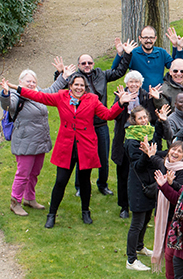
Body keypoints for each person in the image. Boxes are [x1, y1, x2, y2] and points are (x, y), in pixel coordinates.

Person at [3, 74, 137, 228]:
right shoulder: (61, 97)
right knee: (60, 181)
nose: (79, 88)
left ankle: (86, 212)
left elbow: (107, 115)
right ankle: (51, 214)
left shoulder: (92, 99)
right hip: (66, 147)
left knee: (85, 181)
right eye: (76, 85)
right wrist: (15, 88)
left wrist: (120, 103)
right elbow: (38, 96)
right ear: (70, 86)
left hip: (85, 147)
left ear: (85, 87)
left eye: (82, 85)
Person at [1, 60, 72, 216]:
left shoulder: (38, 92)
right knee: (23, 173)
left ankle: (29, 199)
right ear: (20, 82)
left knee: (35, 173)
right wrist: (5, 93)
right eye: (28, 81)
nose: (32, 84)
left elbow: (52, 90)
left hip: (40, 141)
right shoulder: (15, 95)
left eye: (34, 81)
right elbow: (8, 106)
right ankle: (15, 202)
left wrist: (64, 77)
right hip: (24, 142)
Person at [69, 39, 135, 197]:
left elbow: (119, 71)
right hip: (83, 127)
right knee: (82, 157)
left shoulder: (101, 75)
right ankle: (80, 186)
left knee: (103, 157)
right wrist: (59, 74)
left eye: (89, 62)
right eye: (83, 63)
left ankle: (102, 184)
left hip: (101, 124)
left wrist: (126, 55)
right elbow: (61, 86)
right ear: (78, 65)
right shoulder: (75, 80)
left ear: (93, 64)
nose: (87, 65)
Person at [112, 70, 162, 219]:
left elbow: (153, 118)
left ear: (141, 84)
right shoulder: (119, 96)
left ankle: (147, 202)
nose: (134, 85)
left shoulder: (146, 95)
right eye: (131, 82)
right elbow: (114, 115)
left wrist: (155, 100)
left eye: (136, 82)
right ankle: (124, 206)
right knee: (124, 173)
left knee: (145, 172)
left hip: (144, 140)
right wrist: (122, 102)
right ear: (126, 84)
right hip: (124, 139)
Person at [148, 141, 183, 279]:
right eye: (173, 149)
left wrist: (170, 184)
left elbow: (179, 197)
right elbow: (156, 161)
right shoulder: (165, 165)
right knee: (170, 254)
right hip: (163, 215)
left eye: (180, 151)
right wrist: (151, 154)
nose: (175, 153)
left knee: (171, 253)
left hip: (177, 218)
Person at [124, 106, 162, 271]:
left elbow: (156, 151)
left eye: (145, 117)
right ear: (134, 120)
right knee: (137, 223)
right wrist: (147, 155)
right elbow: (138, 166)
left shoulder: (150, 132)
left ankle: (140, 246)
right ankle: (131, 260)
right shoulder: (131, 140)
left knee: (146, 218)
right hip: (138, 185)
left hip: (151, 182)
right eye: (140, 118)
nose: (143, 120)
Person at [111, 25, 183, 90]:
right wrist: (120, 54)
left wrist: (177, 47)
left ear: (155, 38)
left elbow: (176, 67)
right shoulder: (133, 53)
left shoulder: (161, 53)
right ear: (140, 38)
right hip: (139, 96)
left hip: (159, 94)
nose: (148, 40)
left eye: (151, 38)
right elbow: (115, 71)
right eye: (145, 38)